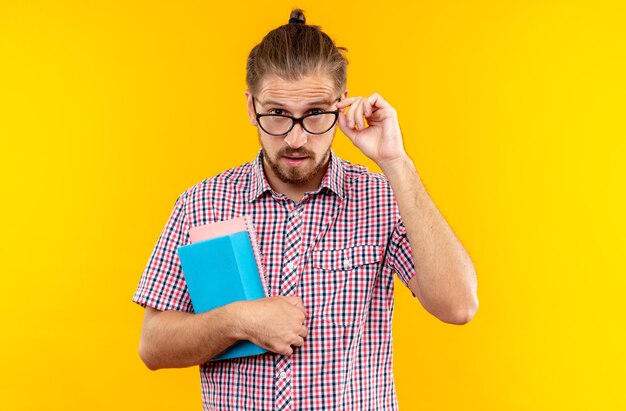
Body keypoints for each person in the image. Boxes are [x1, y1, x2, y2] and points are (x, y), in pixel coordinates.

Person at [132, 8, 478, 411]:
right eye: (277, 114)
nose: (296, 139)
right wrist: (238, 320)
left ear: (341, 106)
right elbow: (153, 346)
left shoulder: (382, 198)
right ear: (250, 107)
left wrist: (396, 161)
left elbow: (459, 305)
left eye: (314, 113)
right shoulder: (201, 203)